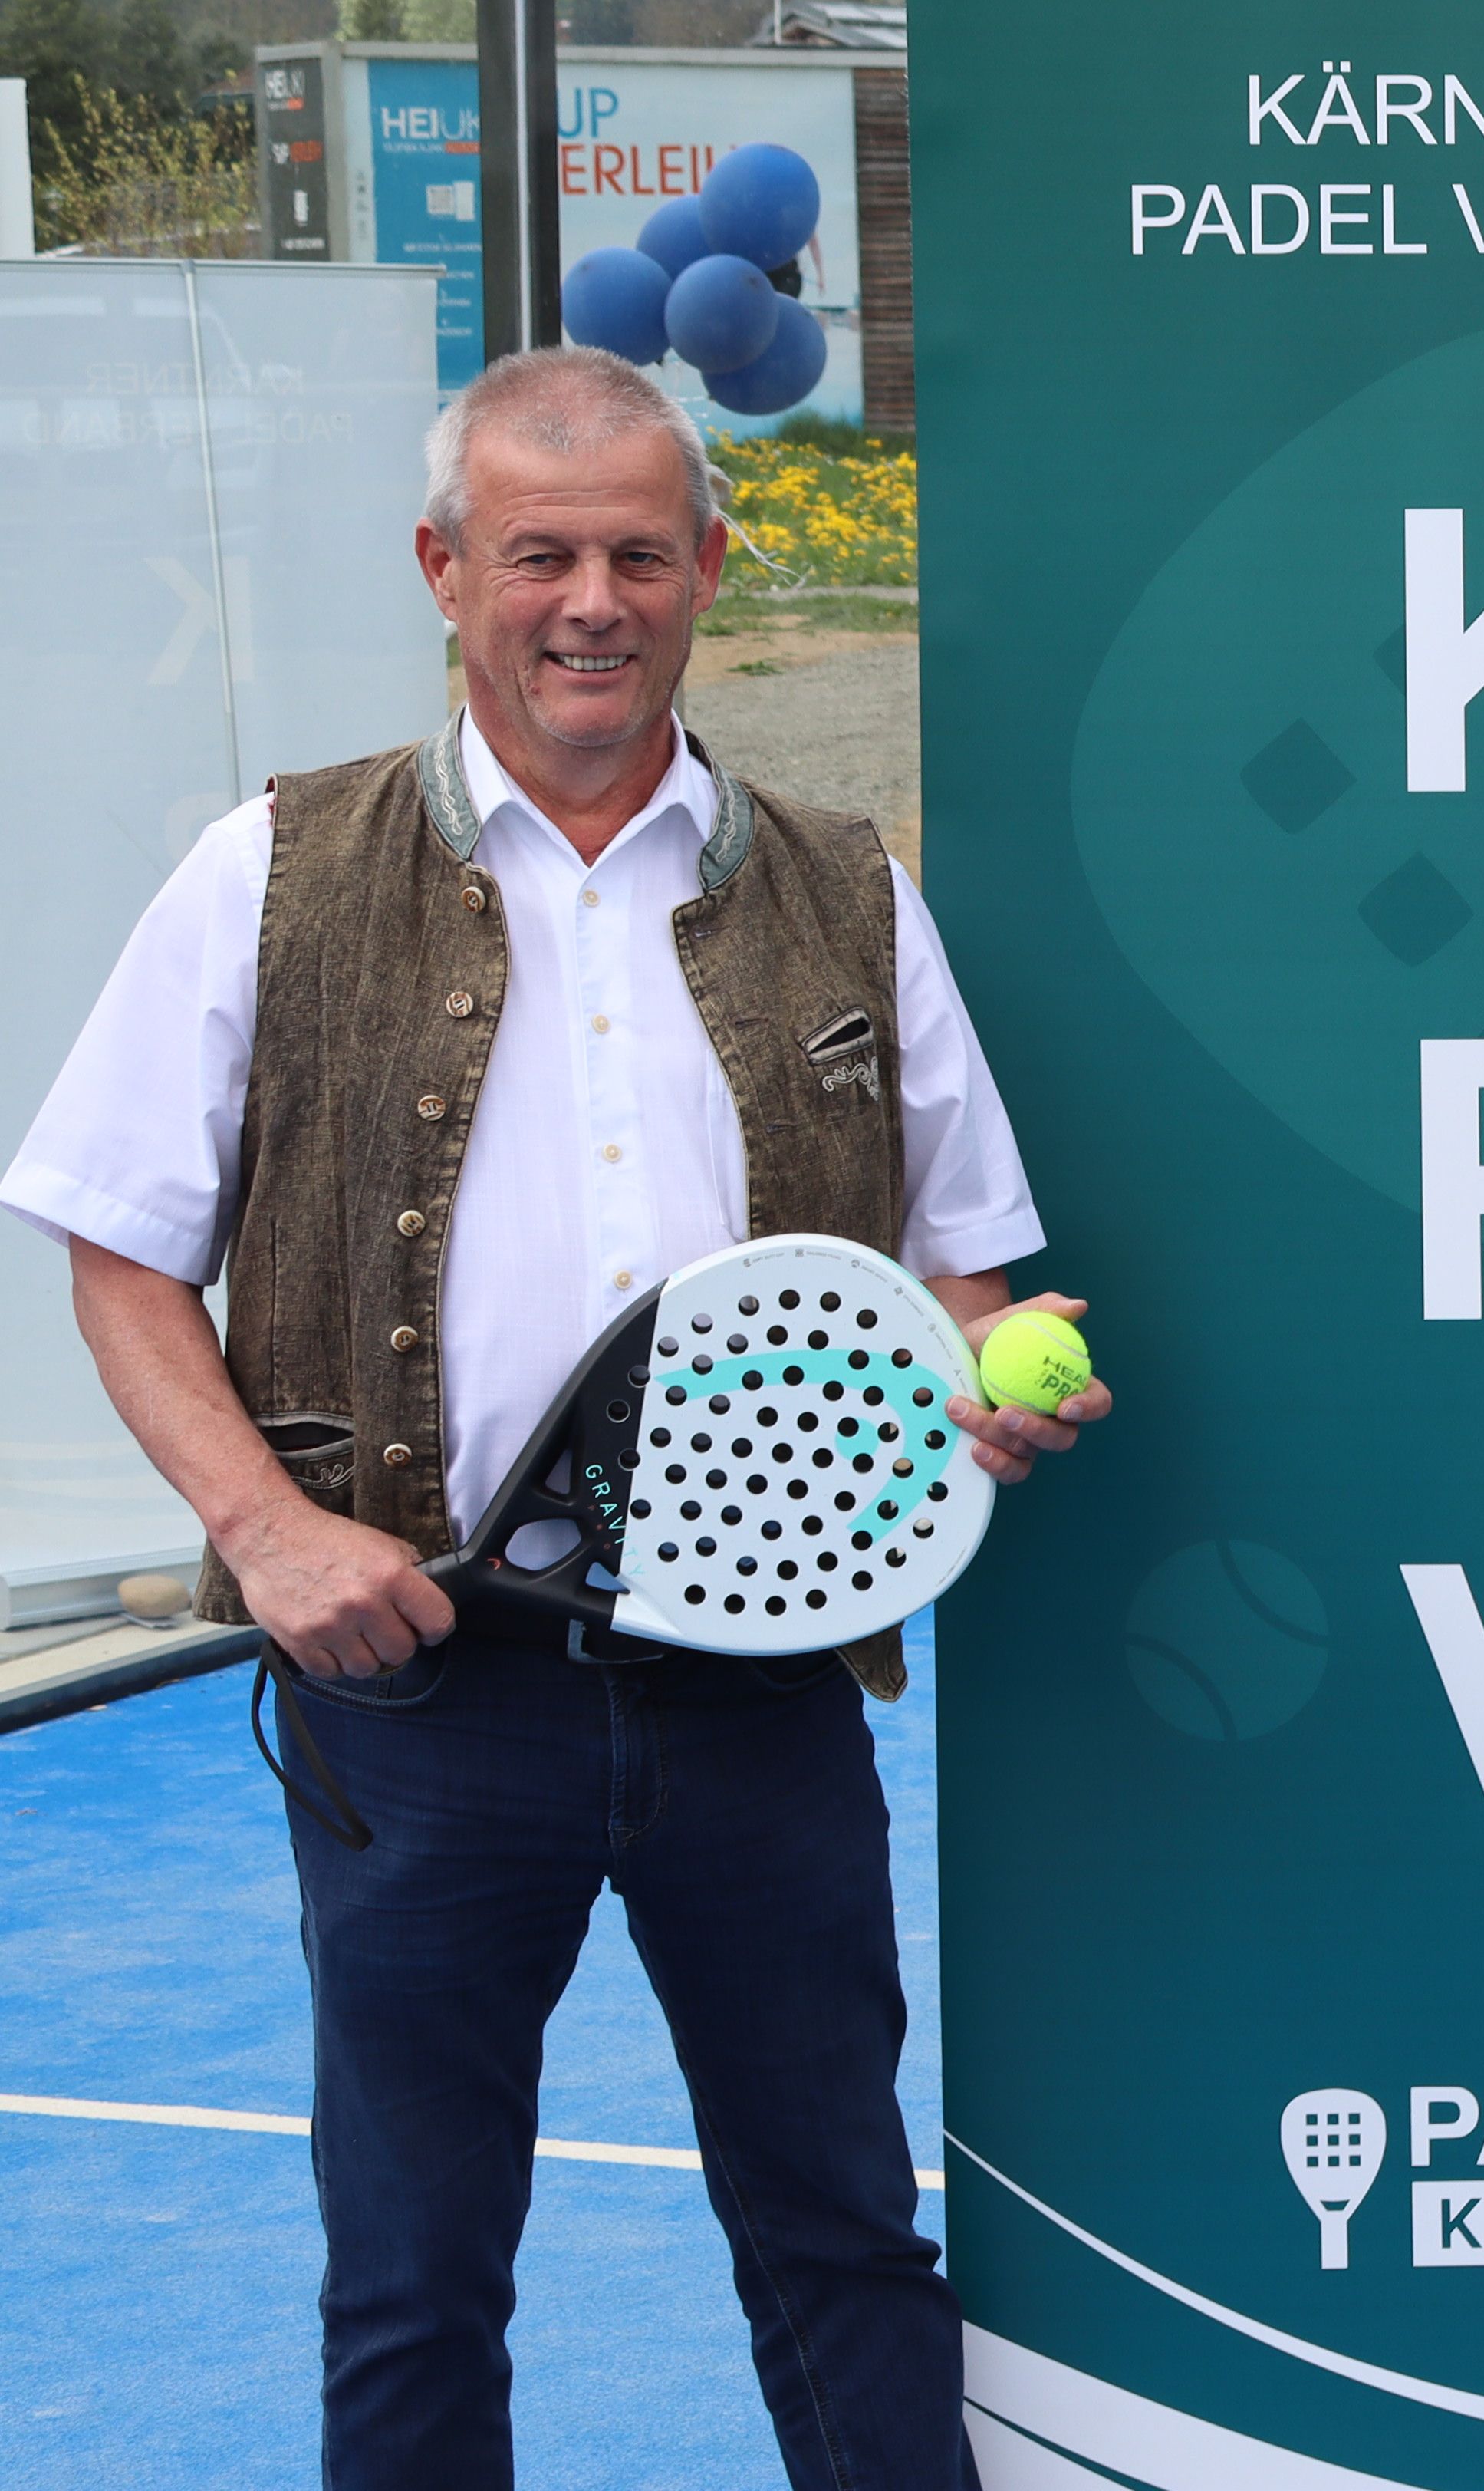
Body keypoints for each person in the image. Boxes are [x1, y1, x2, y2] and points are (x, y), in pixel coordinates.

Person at [3, 345, 1111, 2491]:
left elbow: (960, 1266)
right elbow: (115, 1248)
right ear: (447, 571)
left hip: (766, 1692)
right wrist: (264, 1530)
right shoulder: (268, 873)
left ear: (707, 569)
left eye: (633, 553)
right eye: (538, 555)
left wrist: (992, 1384)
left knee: (844, 2243)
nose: (588, 600)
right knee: (417, 2277)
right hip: (416, 1699)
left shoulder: (849, 886)